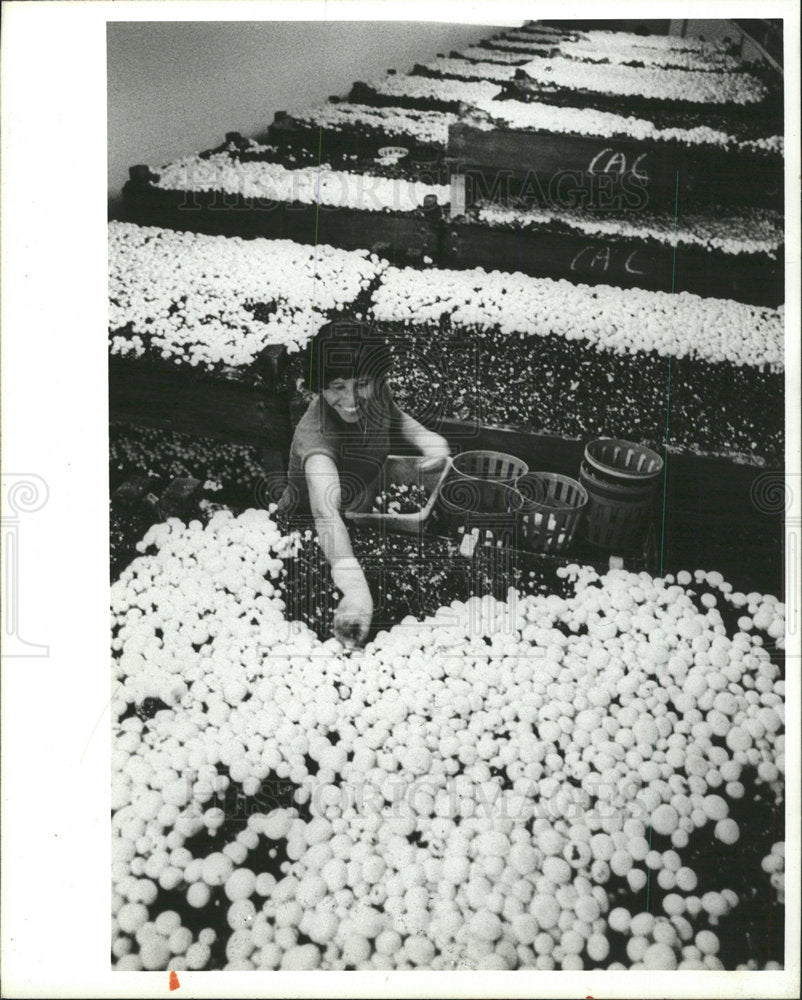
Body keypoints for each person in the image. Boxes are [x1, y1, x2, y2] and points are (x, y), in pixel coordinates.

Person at [276, 320, 450, 647]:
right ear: (319, 386)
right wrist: (353, 586)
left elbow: (396, 418)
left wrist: (427, 439)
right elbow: (325, 513)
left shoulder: (376, 393)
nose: (352, 399)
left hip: (359, 513)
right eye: (337, 386)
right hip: (309, 536)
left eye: (362, 384)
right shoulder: (317, 440)